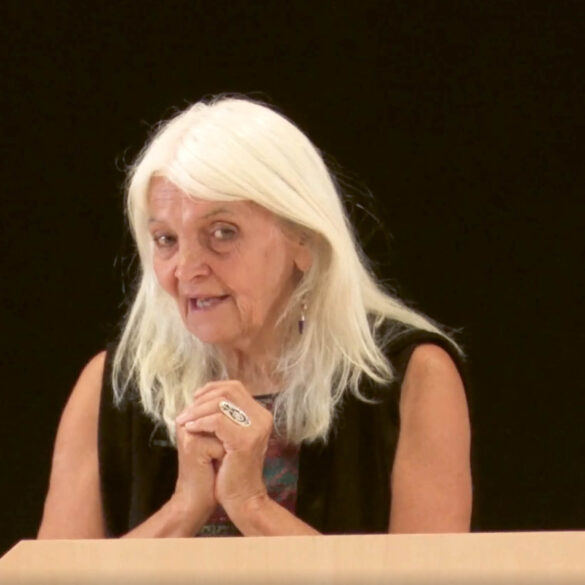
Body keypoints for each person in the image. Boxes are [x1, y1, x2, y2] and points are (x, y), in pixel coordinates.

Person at [38, 96, 472, 538]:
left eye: (222, 233)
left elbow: (427, 571)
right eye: (166, 239)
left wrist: (251, 505)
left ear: (304, 240)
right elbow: (51, 573)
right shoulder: (109, 388)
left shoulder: (415, 377)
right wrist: (184, 508)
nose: (186, 269)